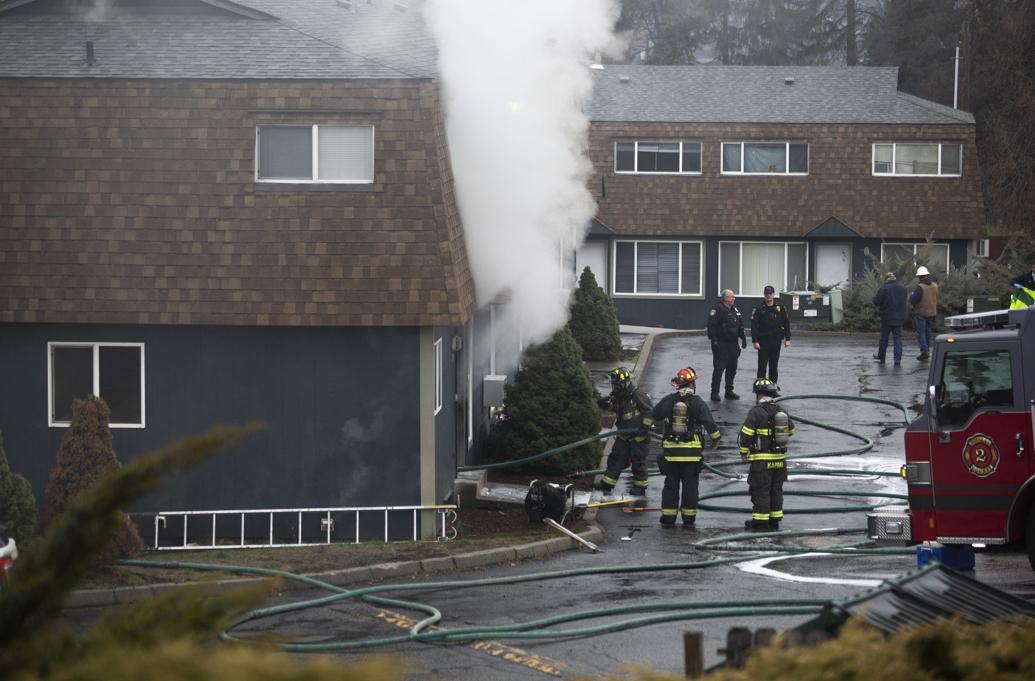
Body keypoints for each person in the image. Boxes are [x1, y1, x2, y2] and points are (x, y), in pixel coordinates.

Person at [651, 367, 721, 527]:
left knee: (671, 485)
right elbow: (709, 422)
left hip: (671, 454)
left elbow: (655, 414)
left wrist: (643, 428)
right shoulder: (697, 402)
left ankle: (668, 518)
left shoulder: (669, 400)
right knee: (690, 487)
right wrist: (716, 439)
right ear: (691, 385)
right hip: (691, 455)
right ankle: (688, 519)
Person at [739, 379, 795, 531]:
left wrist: (743, 451)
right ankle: (774, 521)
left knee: (761, 491)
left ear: (759, 395)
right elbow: (791, 430)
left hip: (762, 462)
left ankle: (761, 523)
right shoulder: (781, 411)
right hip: (779, 461)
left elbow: (746, 434)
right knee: (776, 491)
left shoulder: (756, 412)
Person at [595, 367, 654, 496]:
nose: (615, 387)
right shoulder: (619, 396)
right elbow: (618, 409)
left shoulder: (637, 395)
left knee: (638, 463)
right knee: (615, 458)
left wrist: (644, 427)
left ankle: (640, 487)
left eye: (617, 385)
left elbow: (649, 412)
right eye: (614, 385)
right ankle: (607, 483)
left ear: (625, 383)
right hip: (624, 435)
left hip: (639, 437)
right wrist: (605, 404)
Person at [707, 289, 747, 402]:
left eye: (733, 296)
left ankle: (729, 391)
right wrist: (714, 340)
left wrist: (743, 338)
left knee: (732, 369)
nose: (734, 298)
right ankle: (714, 393)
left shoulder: (735, 310)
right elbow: (711, 326)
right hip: (721, 344)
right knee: (719, 369)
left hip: (733, 345)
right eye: (731, 296)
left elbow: (740, 325)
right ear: (725, 298)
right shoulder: (717, 309)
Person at [750, 285, 791, 385]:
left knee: (774, 365)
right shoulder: (759, 308)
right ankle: (761, 387)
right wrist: (755, 341)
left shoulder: (780, 307)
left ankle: (773, 386)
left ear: (773, 294)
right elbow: (754, 326)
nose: (768, 296)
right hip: (763, 341)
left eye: (770, 293)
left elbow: (786, 323)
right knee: (762, 365)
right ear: (764, 295)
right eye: (766, 294)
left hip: (776, 341)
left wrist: (787, 338)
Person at [872, 271, 908, 366]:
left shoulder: (884, 288)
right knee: (898, 338)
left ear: (886, 279)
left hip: (887, 318)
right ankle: (897, 360)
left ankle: (881, 357)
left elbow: (876, 301)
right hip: (900, 318)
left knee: (884, 338)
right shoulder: (903, 288)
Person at [909, 266, 939, 361]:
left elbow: (912, 300)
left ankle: (924, 351)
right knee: (927, 332)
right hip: (932, 313)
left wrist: (912, 295)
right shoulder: (935, 285)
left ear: (919, 276)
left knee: (921, 333)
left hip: (921, 313)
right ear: (927, 274)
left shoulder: (920, 287)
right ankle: (927, 351)